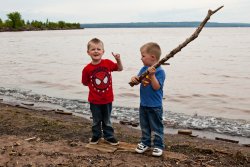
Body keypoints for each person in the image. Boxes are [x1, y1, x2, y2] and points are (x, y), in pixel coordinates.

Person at [82, 38, 123, 146]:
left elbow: (120, 68)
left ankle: (109, 136)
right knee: (96, 120)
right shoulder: (87, 69)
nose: (96, 51)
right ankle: (96, 135)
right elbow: (85, 82)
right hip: (94, 100)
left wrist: (118, 59)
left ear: (103, 51)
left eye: (98, 49)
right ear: (88, 52)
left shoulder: (108, 63)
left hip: (108, 99)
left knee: (107, 120)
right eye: (93, 49)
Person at [130, 42, 165, 156]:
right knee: (144, 126)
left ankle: (158, 145)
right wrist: (134, 78)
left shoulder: (160, 71)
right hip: (143, 104)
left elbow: (156, 87)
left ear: (153, 57)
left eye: (143, 56)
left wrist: (152, 76)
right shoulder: (144, 68)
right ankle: (145, 143)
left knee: (156, 127)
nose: (141, 58)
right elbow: (138, 80)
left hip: (155, 106)